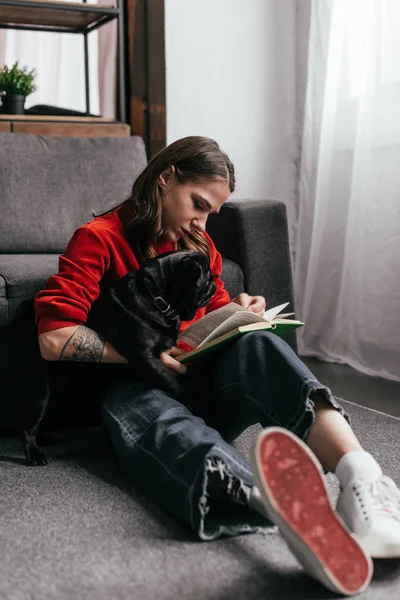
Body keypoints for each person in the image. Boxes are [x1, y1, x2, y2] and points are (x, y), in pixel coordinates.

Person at [34, 136, 400, 596]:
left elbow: (215, 309)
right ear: (166, 178)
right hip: (137, 388)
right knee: (151, 414)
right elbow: (53, 337)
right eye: (198, 205)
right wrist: (142, 353)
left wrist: (241, 310)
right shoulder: (99, 238)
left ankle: (362, 480)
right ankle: (274, 508)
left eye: (211, 213)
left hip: (202, 381)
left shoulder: (197, 241)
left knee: (259, 344)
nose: (202, 223)